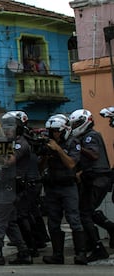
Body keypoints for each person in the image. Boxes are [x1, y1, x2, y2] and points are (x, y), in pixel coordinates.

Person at [0, 111, 33, 265]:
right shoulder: (7, 143)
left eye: (11, 126)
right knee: (9, 222)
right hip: (5, 185)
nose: (7, 129)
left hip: (13, 187)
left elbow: (8, 161)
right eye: (5, 126)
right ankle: (24, 252)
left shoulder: (20, 143)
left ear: (19, 128)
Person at [40, 114, 87, 265]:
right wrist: (45, 154)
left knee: (74, 219)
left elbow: (71, 163)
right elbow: (41, 167)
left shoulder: (73, 143)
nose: (54, 134)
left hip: (68, 186)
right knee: (53, 222)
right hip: (52, 186)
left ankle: (81, 254)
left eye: (57, 131)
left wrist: (58, 150)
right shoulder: (50, 143)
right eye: (52, 131)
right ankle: (57, 255)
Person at [70, 109, 112, 262]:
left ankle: (98, 247)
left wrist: (77, 147)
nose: (75, 126)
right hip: (94, 178)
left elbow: (94, 155)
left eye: (76, 123)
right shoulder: (85, 137)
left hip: (97, 179)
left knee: (84, 213)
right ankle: (109, 229)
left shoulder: (90, 137)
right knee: (87, 210)